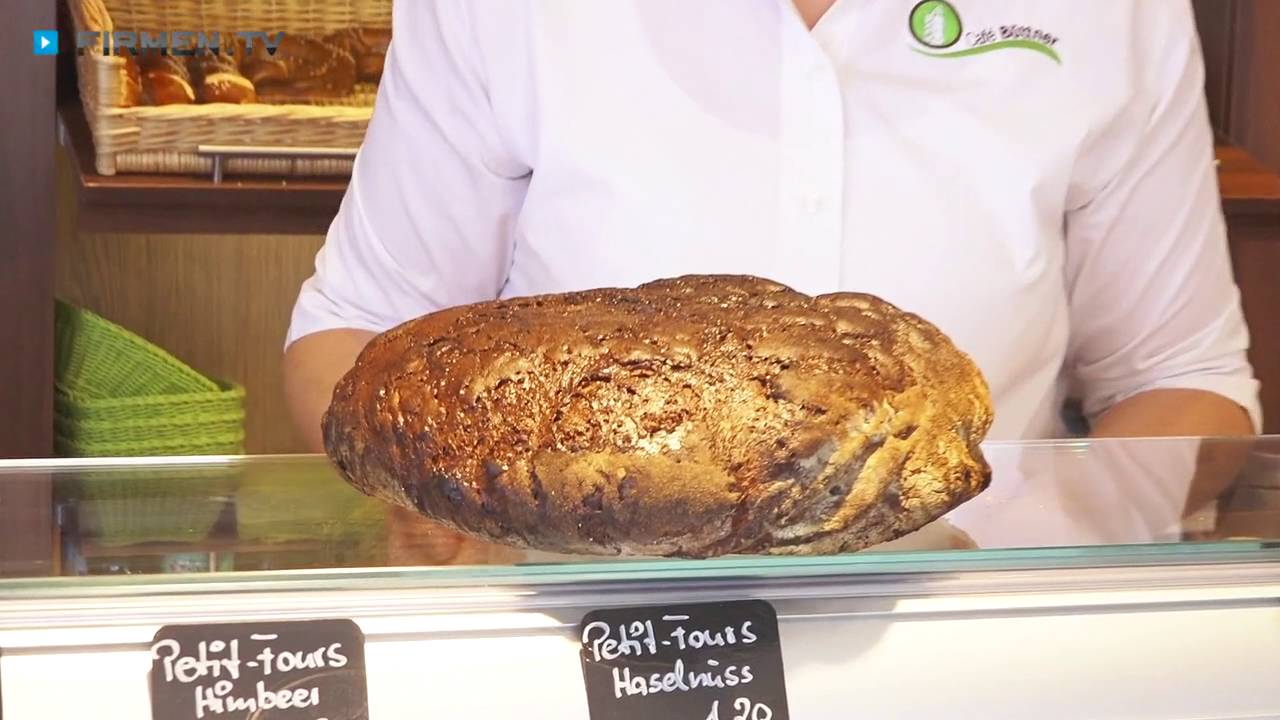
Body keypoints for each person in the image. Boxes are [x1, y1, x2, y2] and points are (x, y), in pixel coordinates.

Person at [283, 0, 1261, 455]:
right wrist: (464, 512)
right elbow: (357, 332)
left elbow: (1182, 386)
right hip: (581, 639)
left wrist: (1029, 559)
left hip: (968, 644)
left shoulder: (1109, 12)